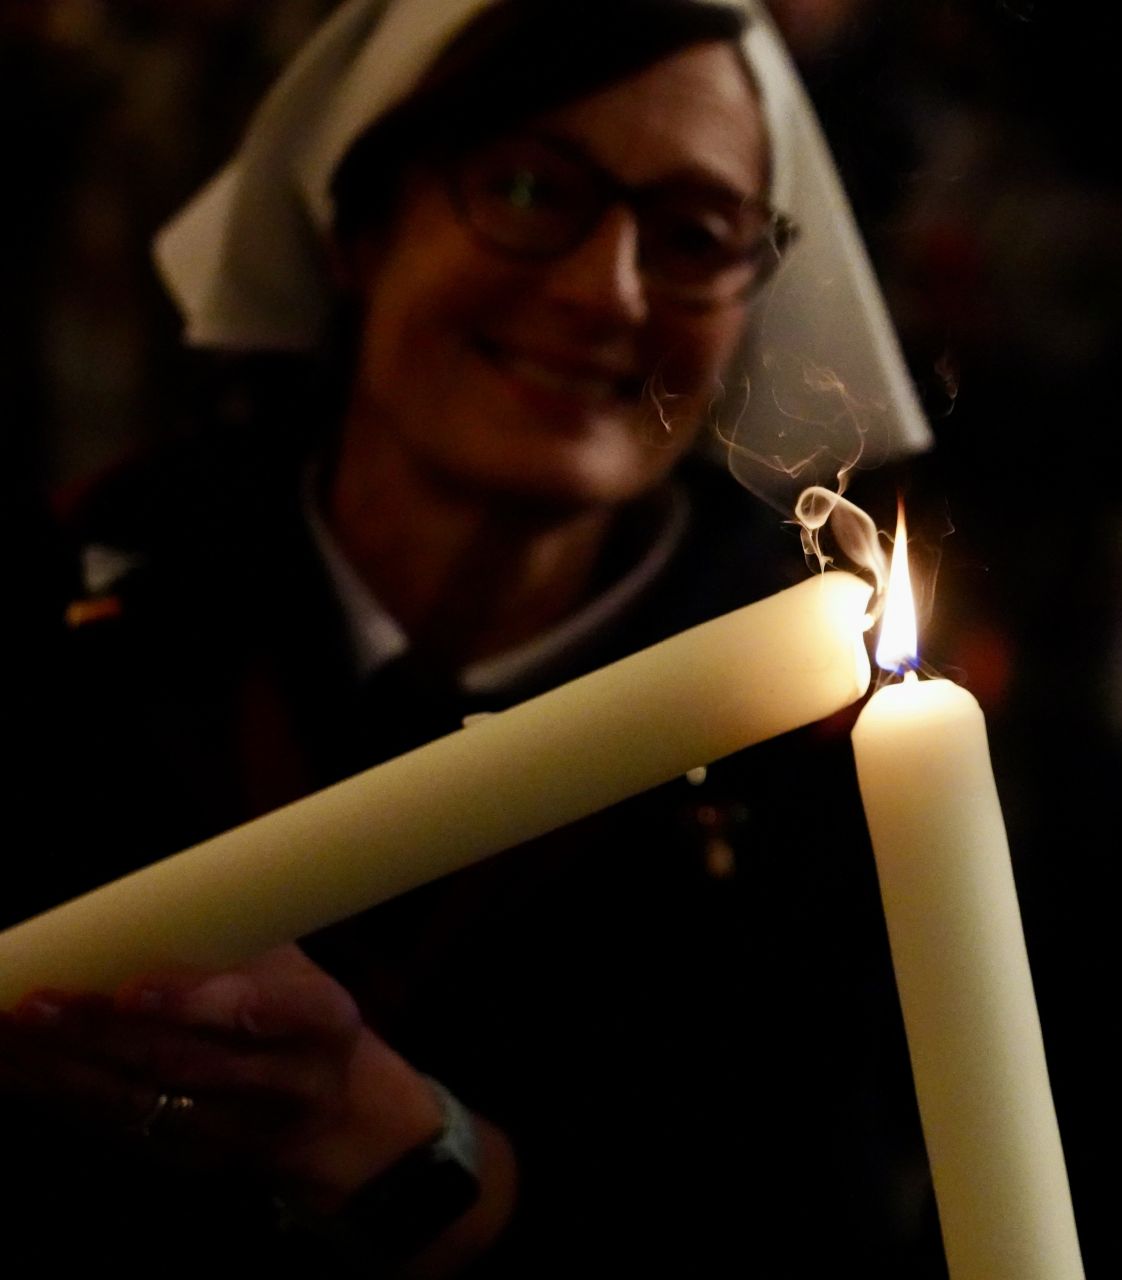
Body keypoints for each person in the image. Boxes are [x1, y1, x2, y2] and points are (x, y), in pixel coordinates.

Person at [0, 1, 937, 1275]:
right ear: (359, 228)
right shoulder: (67, 624)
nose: (608, 292)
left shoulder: (830, 757)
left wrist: (418, 1153)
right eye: (528, 187)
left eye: (693, 235)